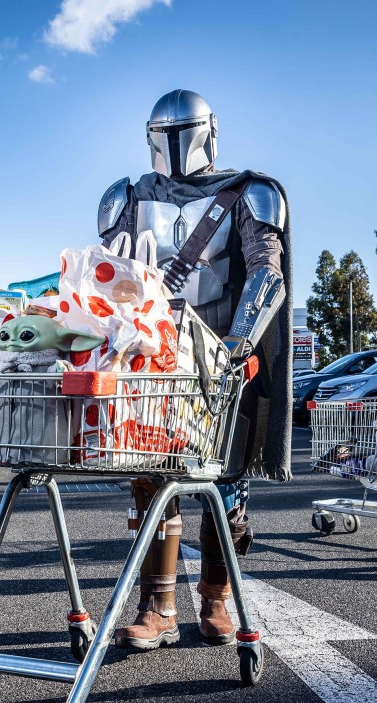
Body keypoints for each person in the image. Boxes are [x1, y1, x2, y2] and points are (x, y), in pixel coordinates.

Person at [97, 89, 293, 648]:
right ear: (152, 138)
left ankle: (215, 601)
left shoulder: (250, 192)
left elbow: (266, 273)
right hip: (154, 355)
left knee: (222, 483)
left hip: (222, 355)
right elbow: (109, 278)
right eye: (167, 135)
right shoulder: (126, 198)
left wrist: (238, 341)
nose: (177, 145)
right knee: (151, 478)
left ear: (208, 132)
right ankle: (157, 608)